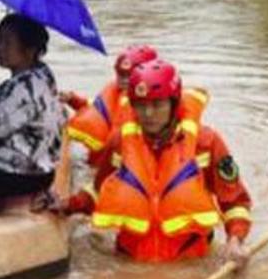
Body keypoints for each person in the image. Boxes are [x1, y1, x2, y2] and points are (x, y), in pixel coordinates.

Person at [54, 61, 253, 267]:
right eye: (140, 105)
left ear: (174, 104)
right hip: (130, 260)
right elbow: (99, 191)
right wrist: (67, 205)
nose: (148, 113)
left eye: (157, 104)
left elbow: (235, 201)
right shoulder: (120, 141)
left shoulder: (206, 143)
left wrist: (235, 240)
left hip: (189, 261)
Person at [0, 13, 63, 199]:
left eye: (7, 43)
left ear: (30, 50)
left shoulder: (23, 87)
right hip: (41, 168)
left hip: (19, 175)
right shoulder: (42, 73)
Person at [61, 44, 158, 166]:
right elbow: (97, 111)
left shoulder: (154, 105)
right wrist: (73, 100)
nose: (124, 81)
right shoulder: (115, 92)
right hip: (105, 160)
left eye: (129, 76)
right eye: (121, 75)